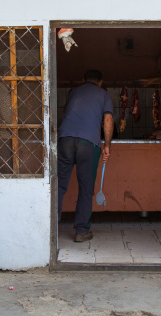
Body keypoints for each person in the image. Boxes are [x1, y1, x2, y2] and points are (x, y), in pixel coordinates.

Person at [57, 70, 114, 242]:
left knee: (58, 185)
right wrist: (107, 146)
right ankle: (81, 231)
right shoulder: (104, 95)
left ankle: (50, 228)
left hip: (65, 139)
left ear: (83, 80)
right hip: (88, 143)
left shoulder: (74, 92)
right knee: (86, 189)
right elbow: (108, 120)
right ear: (100, 82)